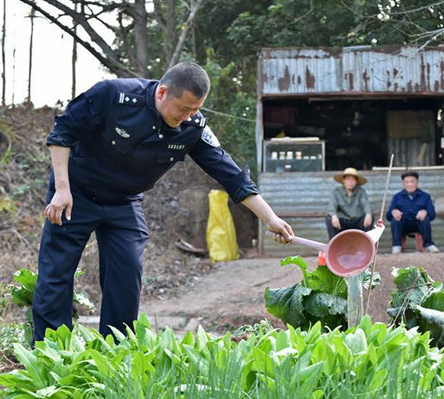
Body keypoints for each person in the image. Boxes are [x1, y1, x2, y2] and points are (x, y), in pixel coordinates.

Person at [33, 62, 294, 342]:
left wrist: (270, 218)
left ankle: (115, 350)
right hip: (76, 193)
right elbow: (63, 131)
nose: (188, 116)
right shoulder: (113, 95)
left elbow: (231, 175)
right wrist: (62, 189)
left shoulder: (192, 126)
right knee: (57, 271)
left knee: (127, 269)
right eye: (184, 108)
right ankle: (50, 351)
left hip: (123, 201)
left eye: (195, 109)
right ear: (162, 92)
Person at [386, 170, 439, 254]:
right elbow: (388, 216)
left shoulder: (425, 196)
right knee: (394, 220)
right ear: (403, 183)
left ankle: (429, 245)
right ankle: (396, 246)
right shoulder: (397, 197)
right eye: (407, 182)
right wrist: (393, 212)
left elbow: (432, 214)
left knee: (425, 219)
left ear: (417, 182)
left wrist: (426, 212)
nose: (409, 184)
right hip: (403, 225)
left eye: (412, 181)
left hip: (419, 225)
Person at [326, 167, 373, 239]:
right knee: (329, 218)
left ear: (356, 182)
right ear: (343, 181)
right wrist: (334, 216)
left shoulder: (361, 191)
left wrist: (368, 214)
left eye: (353, 180)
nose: (350, 182)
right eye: (348, 179)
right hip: (342, 222)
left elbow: (366, 204)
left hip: (357, 221)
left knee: (370, 218)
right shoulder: (336, 192)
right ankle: (333, 247)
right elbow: (331, 206)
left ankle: (366, 245)